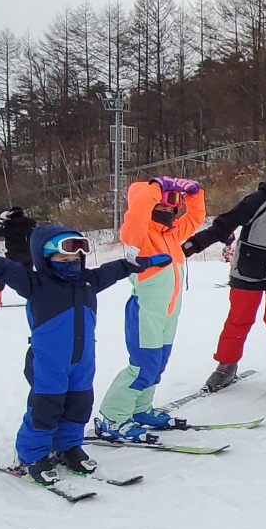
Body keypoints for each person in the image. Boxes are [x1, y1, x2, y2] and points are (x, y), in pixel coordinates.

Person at [0, 227, 169, 486]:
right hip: (48, 363)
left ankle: (68, 447)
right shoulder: (35, 283)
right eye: (63, 260)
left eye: (75, 260)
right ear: (45, 259)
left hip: (82, 362)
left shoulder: (88, 280)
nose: (72, 265)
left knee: (79, 405)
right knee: (46, 408)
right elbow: (4, 267)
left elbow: (115, 270)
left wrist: (141, 263)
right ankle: (32, 456)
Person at [180, 153, 266, 409]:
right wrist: (193, 245)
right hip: (248, 269)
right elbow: (225, 224)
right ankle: (226, 365)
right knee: (239, 319)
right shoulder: (259, 200)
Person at [95, 177, 206, 442]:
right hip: (146, 312)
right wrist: (156, 186)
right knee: (143, 365)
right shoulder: (138, 236)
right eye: (162, 207)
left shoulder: (173, 234)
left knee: (157, 364)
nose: (169, 212)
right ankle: (112, 417)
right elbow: (138, 211)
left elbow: (197, 217)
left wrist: (195, 192)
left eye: (172, 208)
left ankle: (140, 409)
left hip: (168, 313)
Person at [0, 206, 37, 305]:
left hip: (13, 255)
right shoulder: (30, 224)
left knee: (4, 275)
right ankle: (35, 297)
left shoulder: (9, 225)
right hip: (29, 254)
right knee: (30, 277)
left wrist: (0, 220)